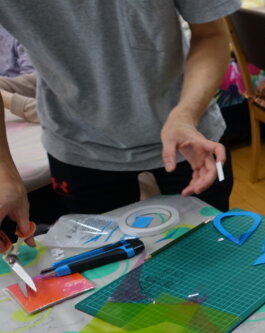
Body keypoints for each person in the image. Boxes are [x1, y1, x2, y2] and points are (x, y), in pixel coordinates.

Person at [0, 0, 240, 241]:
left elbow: (211, 34)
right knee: (101, 261)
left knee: (210, 247)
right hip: (78, 143)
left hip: (190, 135)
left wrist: (186, 112)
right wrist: (5, 172)